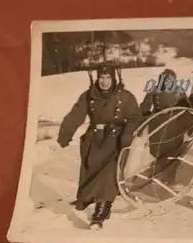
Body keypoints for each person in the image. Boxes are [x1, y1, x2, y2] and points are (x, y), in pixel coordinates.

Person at [57, 62, 143, 230]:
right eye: (101, 77)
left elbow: (135, 117)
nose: (104, 82)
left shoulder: (124, 96)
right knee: (92, 168)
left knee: (108, 172)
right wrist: (65, 134)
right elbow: (76, 115)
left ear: (114, 78)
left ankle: (101, 211)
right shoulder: (89, 96)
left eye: (108, 77)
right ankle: (93, 198)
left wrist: (127, 135)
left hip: (116, 139)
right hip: (95, 139)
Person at [139, 69, 192, 188]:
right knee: (159, 151)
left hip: (175, 126)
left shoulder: (179, 92)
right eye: (166, 80)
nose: (168, 83)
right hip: (158, 126)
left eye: (171, 81)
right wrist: (147, 118)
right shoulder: (154, 91)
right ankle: (159, 176)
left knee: (174, 152)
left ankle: (170, 179)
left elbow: (187, 109)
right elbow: (144, 107)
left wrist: (188, 125)